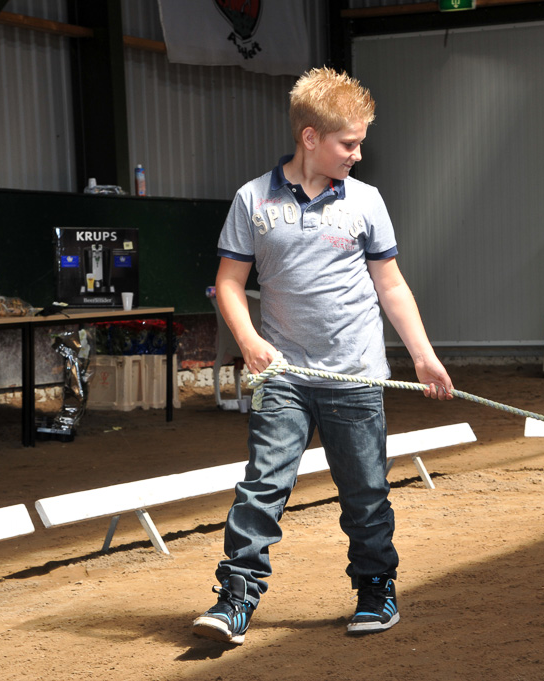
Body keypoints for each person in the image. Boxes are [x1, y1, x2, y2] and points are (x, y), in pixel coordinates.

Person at [192, 67, 455, 645]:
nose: (358, 154)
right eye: (349, 143)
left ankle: (375, 590)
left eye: (360, 143)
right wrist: (250, 342)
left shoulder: (366, 201)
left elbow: (390, 284)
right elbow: (230, 284)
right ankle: (235, 598)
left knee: (364, 491)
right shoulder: (253, 199)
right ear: (310, 137)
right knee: (263, 485)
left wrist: (424, 357)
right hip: (281, 373)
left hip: (355, 374)